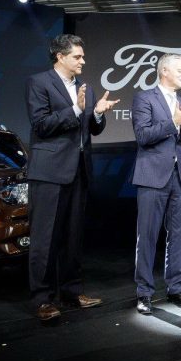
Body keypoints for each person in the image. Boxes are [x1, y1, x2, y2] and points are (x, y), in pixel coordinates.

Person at [26, 34, 120, 320]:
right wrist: (76, 109)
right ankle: (42, 299)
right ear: (60, 56)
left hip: (79, 170)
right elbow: (41, 125)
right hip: (49, 172)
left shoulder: (85, 88)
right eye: (77, 56)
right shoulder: (39, 82)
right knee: (45, 238)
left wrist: (98, 114)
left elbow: (91, 128)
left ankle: (71, 292)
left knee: (73, 236)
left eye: (82, 56)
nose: (83, 61)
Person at [131, 54, 181, 315]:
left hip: (180, 179)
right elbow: (143, 135)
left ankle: (176, 288)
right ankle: (144, 293)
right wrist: (174, 123)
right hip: (152, 177)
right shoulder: (144, 98)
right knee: (147, 236)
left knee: (178, 236)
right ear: (164, 71)